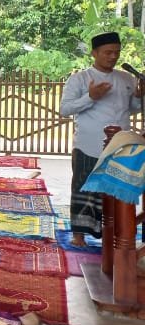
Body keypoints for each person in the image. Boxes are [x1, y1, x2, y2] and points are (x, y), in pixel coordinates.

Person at [59, 31, 143, 246]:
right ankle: (79, 235)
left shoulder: (126, 78)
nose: (113, 56)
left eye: (117, 52)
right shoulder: (80, 79)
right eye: (107, 52)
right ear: (94, 53)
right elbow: (65, 109)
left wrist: (139, 96)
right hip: (89, 145)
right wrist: (91, 97)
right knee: (84, 189)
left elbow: (132, 109)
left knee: (115, 190)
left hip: (121, 145)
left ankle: (114, 234)